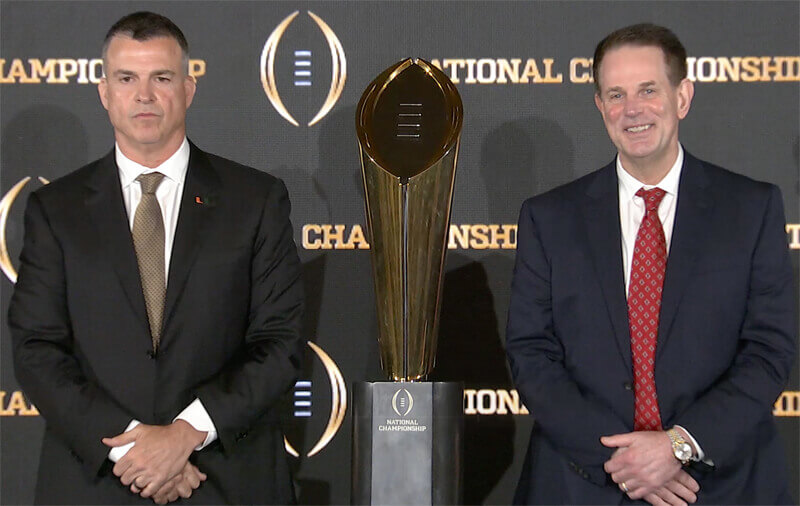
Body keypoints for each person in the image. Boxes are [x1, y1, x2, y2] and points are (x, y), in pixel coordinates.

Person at [9, 11, 303, 505]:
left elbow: (280, 342)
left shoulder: (256, 200)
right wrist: (134, 450)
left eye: (161, 78)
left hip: (227, 481)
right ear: (105, 93)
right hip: (96, 482)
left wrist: (186, 433)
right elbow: (37, 348)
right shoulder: (54, 211)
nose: (144, 95)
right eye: (127, 78)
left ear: (188, 89)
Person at [506, 23, 796, 505]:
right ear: (600, 106)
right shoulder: (549, 217)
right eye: (615, 94)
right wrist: (626, 461)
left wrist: (679, 445)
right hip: (581, 483)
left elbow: (768, 351)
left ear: (682, 97)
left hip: (720, 485)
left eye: (648, 90)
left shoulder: (751, 208)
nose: (632, 109)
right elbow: (531, 353)